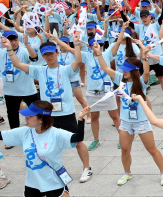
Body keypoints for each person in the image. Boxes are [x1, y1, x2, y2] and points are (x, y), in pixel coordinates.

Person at [2, 34, 94, 183]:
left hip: (66, 113)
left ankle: (87, 168)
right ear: (42, 56)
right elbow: (18, 65)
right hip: (47, 114)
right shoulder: (39, 70)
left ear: (57, 53)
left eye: (51, 53)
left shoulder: (65, 70)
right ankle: (53, 170)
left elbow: (78, 60)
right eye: (45, 54)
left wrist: (76, 44)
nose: (49, 56)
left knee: (77, 141)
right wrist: (9, 49)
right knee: (46, 144)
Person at [91, 42, 163, 186]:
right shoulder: (120, 80)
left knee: (151, 149)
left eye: (127, 70)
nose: (124, 72)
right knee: (125, 149)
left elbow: (146, 72)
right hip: (125, 122)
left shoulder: (141, 81)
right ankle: (127, 173)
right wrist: (99, 53)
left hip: (141, 121)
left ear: (134, 70)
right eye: (123, 69)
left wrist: (144, 56)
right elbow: (105, 68)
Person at [0, 101, 91, 197]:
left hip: (53, 182)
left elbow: (78, 138)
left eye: (30, 116)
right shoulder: (25, 132)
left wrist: (80, 119)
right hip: (32, 183)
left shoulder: (56, 134)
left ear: (41, 119)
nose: (26, 118)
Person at [0, 31, 39, 149]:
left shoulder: (23, 51)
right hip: (10, 90)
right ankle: (13, 138)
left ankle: (38, 134)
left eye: (15, 40)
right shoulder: (1, 53)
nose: (14, 42)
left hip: (27, 89)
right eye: (10, 40)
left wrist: (27, 44)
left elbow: (34, 57)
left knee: (35, 112)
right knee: (12, 115)